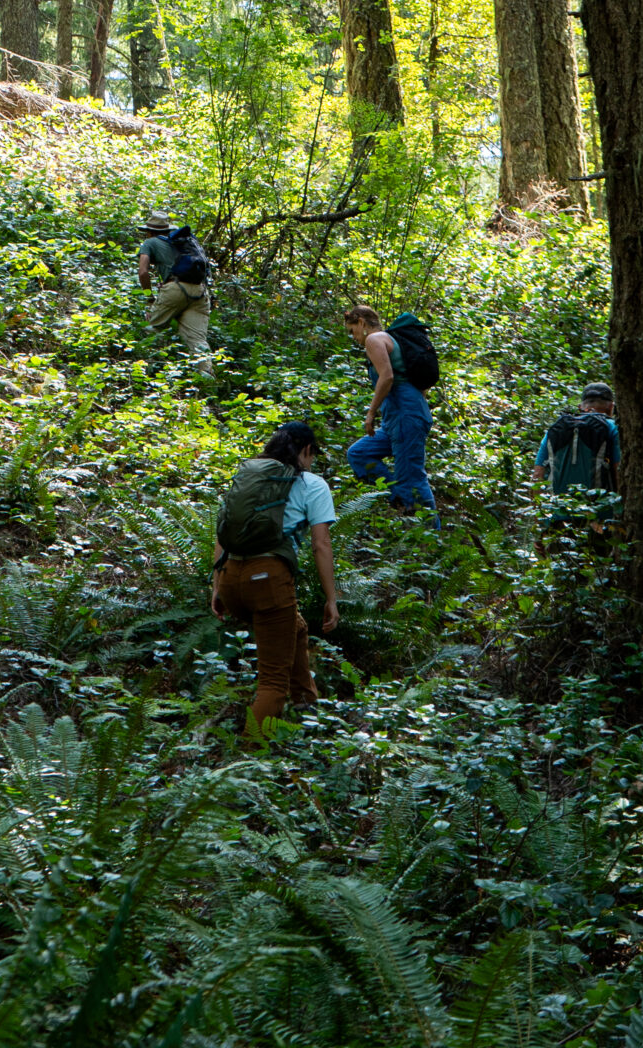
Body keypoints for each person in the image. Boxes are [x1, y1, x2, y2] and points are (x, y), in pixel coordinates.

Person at [211, 422, 339, 734]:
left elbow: (222, 532)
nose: (311, 463)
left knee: (294, 626)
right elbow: (321, 544)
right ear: (306, 450)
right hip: (269, 580)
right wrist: (331, 598)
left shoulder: (248, 478)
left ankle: (306, 703)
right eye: (312, 455)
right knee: (272, 683)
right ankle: (251, 761)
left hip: (231, 578)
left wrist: (216, 586)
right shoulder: (312, 484)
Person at [342, 303, 440, 526]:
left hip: (405, 415)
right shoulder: (390, 341)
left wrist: (370, 414)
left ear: (362, 323)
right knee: (359, 454)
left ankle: (434, 540)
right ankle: (401, 499)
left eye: (352, 330)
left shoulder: (374, 340)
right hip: (397, 417)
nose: (354, 337)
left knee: (413, 479)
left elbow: (387, 377)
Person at [532, 381, 621, 523]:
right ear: (611, 407)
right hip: (600, 519)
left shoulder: (556, 429)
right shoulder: (612, 428)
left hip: (560, 519)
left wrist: (542, 523)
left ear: (580, 407)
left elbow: (537, 475)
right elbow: (618, 471)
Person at [137, 210, 214, 371]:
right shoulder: (184, 242)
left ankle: (143, 372)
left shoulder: (150, 243)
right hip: (200, 291)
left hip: (175, 289)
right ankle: (207, 379)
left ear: (149, 231)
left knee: (151, 327)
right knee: (197, 340)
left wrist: (149, 297)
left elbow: (143, 272)